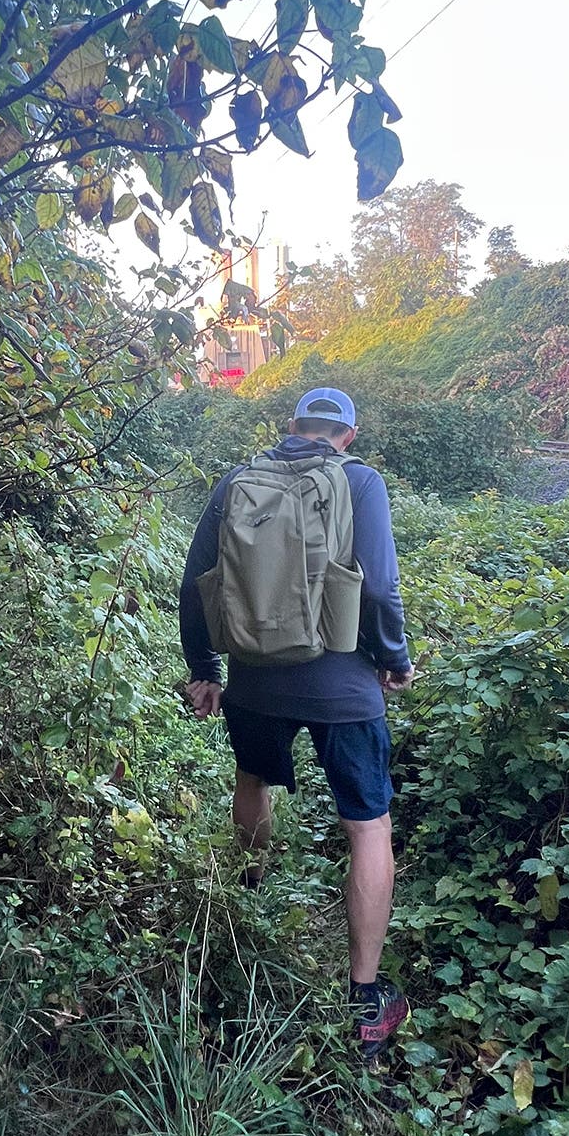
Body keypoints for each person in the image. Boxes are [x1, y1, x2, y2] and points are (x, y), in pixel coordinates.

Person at [178, 386, 415, 1062]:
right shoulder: (360, 481)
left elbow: (196, 580)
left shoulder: (235, 480)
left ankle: (250, 895)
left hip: (253, 677)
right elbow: (374, 588)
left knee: (251, 779)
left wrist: (206, 669)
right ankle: (366, 1005)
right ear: (349, 432)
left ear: (292, 427)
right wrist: (394, 660)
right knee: (367, 825)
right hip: (342, 685)